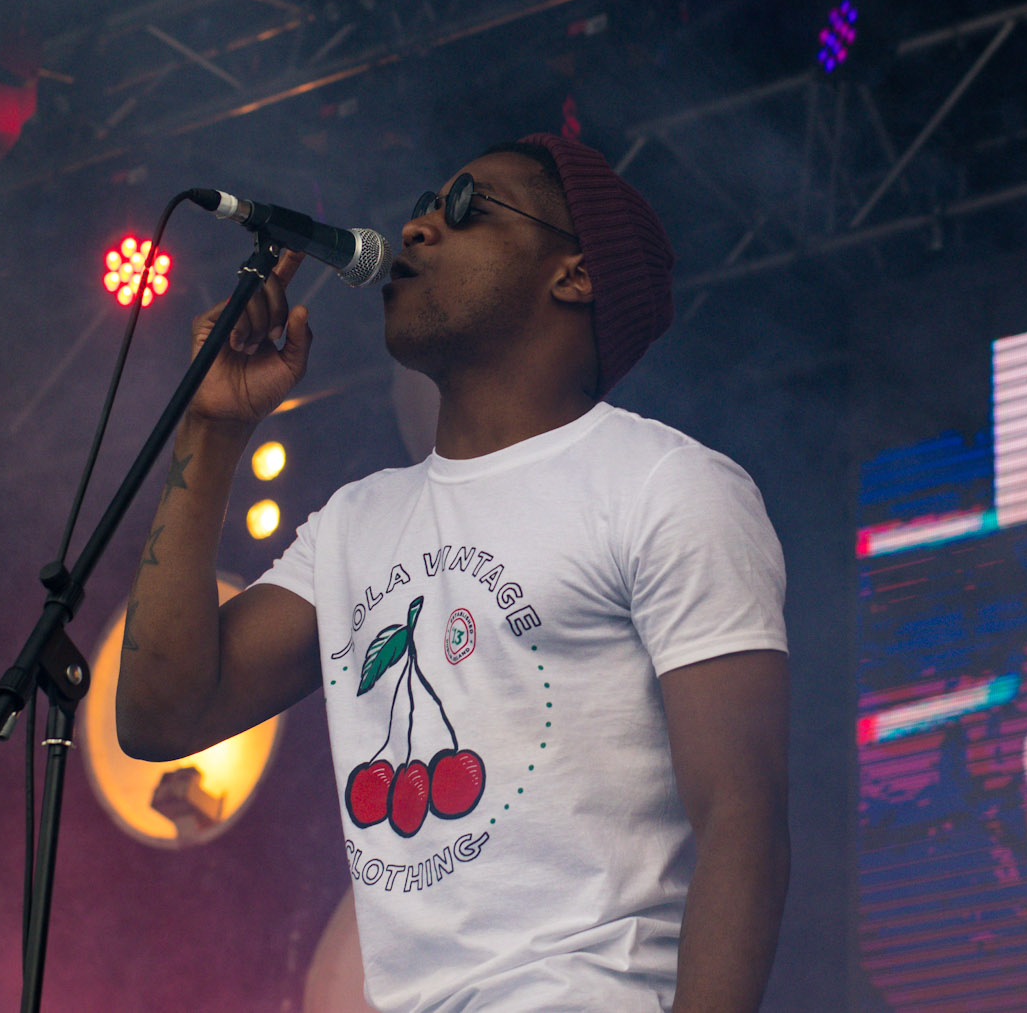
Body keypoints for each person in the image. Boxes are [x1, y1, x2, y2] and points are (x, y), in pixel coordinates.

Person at [116, 133, 790, 1013]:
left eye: (468, 207)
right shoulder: (356, 522)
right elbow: (162, 714)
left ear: (575, 274)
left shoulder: (666, 485)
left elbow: (743, 820)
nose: (418, 227)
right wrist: (211, 429)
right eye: (423, 206)